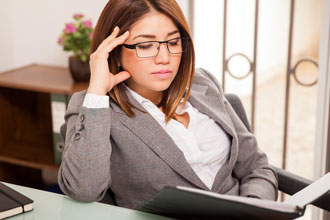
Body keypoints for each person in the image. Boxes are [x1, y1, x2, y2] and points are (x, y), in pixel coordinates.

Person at [58, 0, 278, 209]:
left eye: (173, 42)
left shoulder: (203, 83)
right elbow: (83, 191)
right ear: (113, 52)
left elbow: (256, 167)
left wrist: (255, 207)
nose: (164, 57)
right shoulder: (94, 107)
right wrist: (97, 91)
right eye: (145, 45)